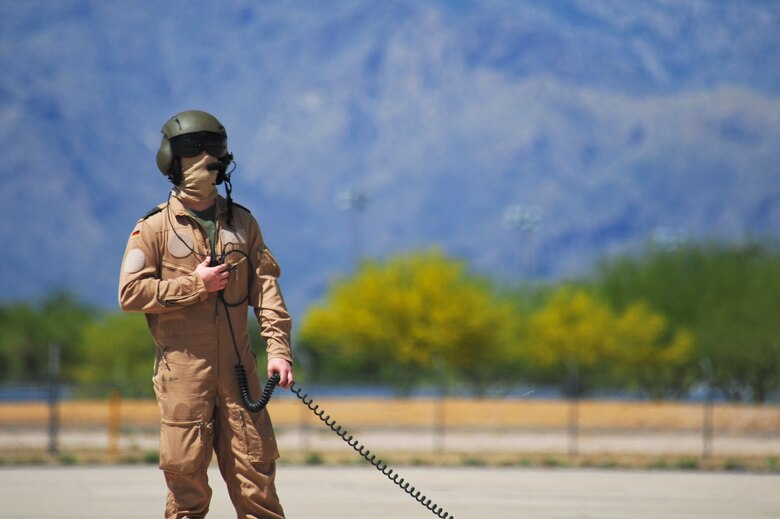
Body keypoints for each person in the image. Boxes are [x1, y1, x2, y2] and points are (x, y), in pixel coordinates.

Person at [118, 109, 294, 519]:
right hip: (184, 375)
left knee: (257, 487)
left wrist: (280, 352)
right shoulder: (155, 228)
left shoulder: (243, 225)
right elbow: (130, 293)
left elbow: (267, 289)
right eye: (190, 150)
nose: (202, 160)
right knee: (187, 490)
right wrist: (196, 285)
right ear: (171, 161)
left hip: (240, 373)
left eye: (209, 150)